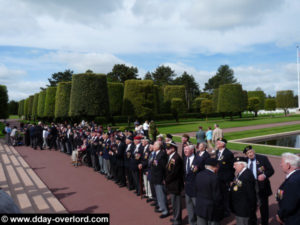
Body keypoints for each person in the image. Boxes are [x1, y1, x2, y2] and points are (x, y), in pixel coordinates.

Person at [243, 145, 274, 225]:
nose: (250, 154)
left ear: (254, 151)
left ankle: (264, 223)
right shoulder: (245, 161)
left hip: (261, 185)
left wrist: (264, 175)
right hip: (250, 185)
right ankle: (253, 222)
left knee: (263, 207)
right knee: (251, 205)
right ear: (246, 155)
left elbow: (271, 170)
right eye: (248, 153)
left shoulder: (263, 158)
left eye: (251, 152)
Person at [195, 158, 224, 225]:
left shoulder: (199, 174)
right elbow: (217, 196)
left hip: (200, 206)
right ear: (215, 166)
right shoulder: (215, 178)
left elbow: (196, 189)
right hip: (212, 209)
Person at [230, 157, 257, 225]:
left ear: (242, 165)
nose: (234, 167)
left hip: (244, 208)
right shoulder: (241, 173)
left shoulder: (246, 175)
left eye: (235, 165)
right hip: (240, 206)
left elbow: (250, 193)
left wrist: (252, 208)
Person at [276, 153, 300, 225]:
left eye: (282, 163)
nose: (280, 165)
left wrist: (280, 215)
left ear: (288, 165)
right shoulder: (296, 176)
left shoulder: (293, 181)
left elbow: (289, 205)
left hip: (292, 219)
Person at [165, 142, 184, 225]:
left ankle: (177, 220)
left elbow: (174, 173)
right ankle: (176, 217)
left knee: (176, 203)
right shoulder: (171, 156)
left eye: (168, 148)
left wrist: (166, 180)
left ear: (173, 149)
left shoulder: (176, 158)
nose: (166, 149)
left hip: (175, 184)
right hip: (172, 183)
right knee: (174, 203)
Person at [215, 138, 234, 217]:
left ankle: (227, 211)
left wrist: (231, 179)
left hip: (225, 178)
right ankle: (221, 209)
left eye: (219, 142)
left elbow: (232, 167)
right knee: (219, 194)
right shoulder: (217, 152)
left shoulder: (228, 153)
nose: (217, 143)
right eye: (217, 142)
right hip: (218, 177)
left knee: (225, 195)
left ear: (223, 144)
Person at [151, 141, 169, 218]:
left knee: (161, 194)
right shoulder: (156, 153)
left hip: (160, 178)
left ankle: (165, 211)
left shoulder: (162, 154)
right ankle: (161, 207)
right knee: (158, 194)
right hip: (155, 177)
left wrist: (163, 178)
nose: (153, 146)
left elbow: (164, 168)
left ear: (159, 146)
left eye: (154, 145)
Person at [184, 145, 200, 225]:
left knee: (197, 208)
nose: (185, 151)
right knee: (189, 208)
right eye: (184, 150)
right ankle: (192, 223)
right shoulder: (185, 159)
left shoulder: (198, 160)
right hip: (187, 188)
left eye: (187, 149)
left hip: (196, 189)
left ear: (192, 150)